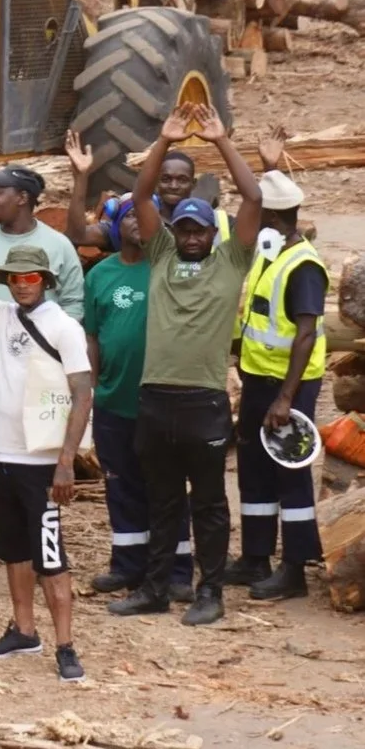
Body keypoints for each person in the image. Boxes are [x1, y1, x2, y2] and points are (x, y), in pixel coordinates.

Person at [106, 104, 261, 628]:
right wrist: (164, 143)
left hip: (203, 404)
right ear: (176, 231)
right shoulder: (162, 257)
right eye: (186, 229)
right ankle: (154, 588)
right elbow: (143, 195)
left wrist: (220, 142)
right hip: (156, 401)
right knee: (161, 499)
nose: (193, 237)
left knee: (211, 503)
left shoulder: (231, 262)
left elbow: (254, 198)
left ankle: (210, 590)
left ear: (213, 234)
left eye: (200, 231)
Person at [0, 230, 94, 685]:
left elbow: (83, 391)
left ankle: (65, 644)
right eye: (13, 277)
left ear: (45, 280)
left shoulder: (63, 326)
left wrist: (66, 460)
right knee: (13, 552)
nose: (22, 284)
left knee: (51, 555)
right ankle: (24, 630)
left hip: (40, 461)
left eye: (30, 276)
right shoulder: (1, 314)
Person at [62, 143, 193, 599]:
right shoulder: (101, 275)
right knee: (123, 487)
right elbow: (93, 339)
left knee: (168, 486)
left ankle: (178, 571)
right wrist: (94, 392)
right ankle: (128, 564)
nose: (138, 222)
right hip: (116, 401)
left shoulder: (168, 266)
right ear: (117, 227)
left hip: (161, 398)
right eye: (130, 217)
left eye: (147, 216)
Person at [0, 164, 83, 579]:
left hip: (43, 377)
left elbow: (74, 303)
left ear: (23, 198)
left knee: (37, 463)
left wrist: (49, 350)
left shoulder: (57, 244)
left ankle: (37, 546)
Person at [227, 137, 326, 602]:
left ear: (270, 217)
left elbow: (304, 334)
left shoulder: (304, 265)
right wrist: (270, 169)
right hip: (258, 379)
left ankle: (295, 569)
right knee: (253, 469)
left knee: (290, 471)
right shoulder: (275, 251)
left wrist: (286, 399)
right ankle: (255, 557)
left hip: (290, 387)